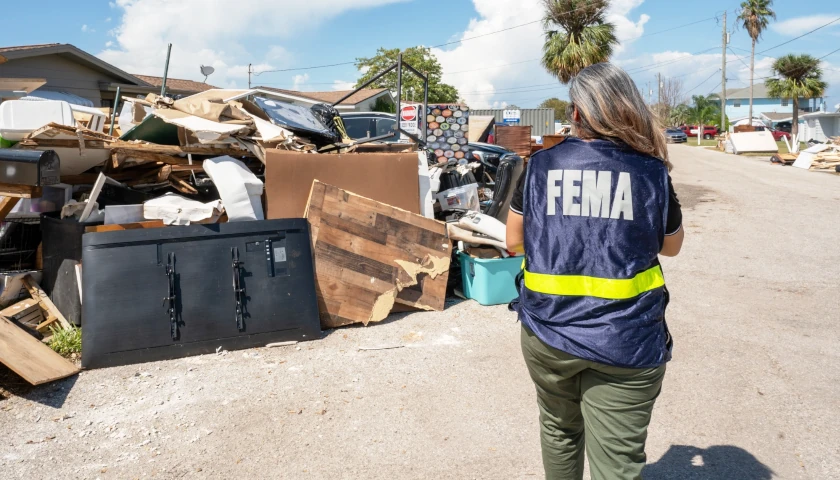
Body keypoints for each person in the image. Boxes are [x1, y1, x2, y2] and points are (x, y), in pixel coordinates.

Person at [505, 62, 684, 480]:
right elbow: (671, 247)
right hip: (628, 340)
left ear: (576, 113)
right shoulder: (651, 171)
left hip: (548, 330)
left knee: (559, 431)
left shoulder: (540, 165)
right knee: (617, 463)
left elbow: (514, 240)